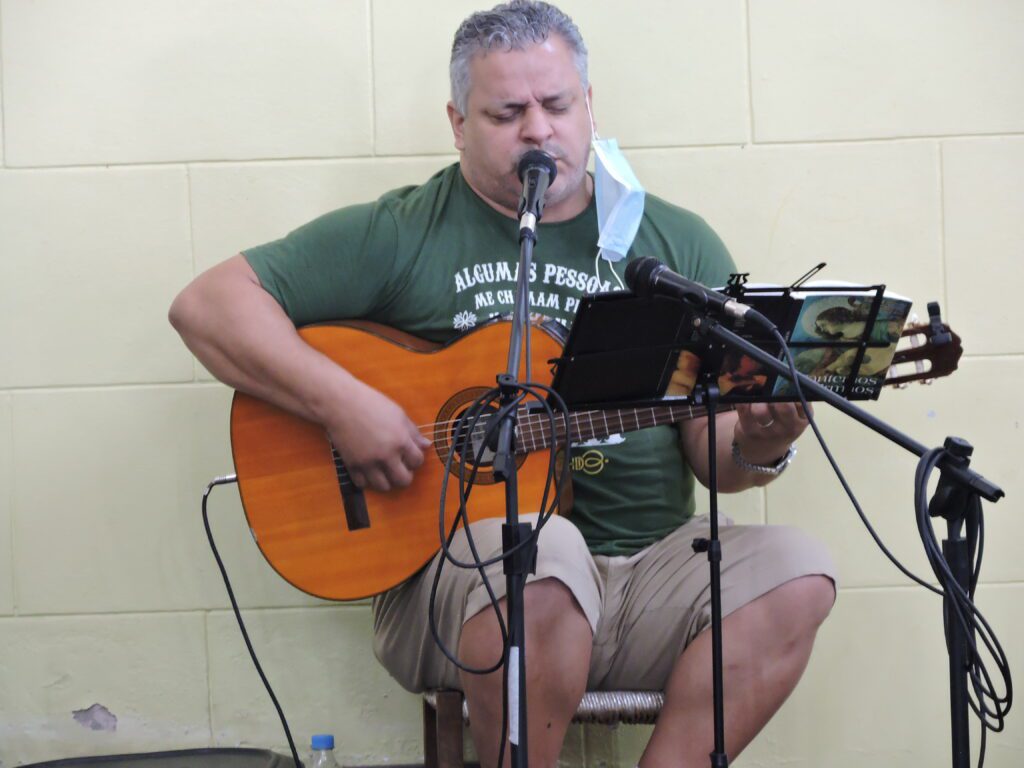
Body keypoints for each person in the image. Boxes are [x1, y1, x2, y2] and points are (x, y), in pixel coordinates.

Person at [169, 2, 836, 766]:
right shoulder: (405, 231)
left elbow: (712, 451)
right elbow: (208, 306)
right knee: (538, 547)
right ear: (458, 123)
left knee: (798, 568)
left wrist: (760, 441)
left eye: (556, 105)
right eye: (506, 112)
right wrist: (345, 405)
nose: (537, 131)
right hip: (466, 591)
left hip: (646, 574)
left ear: (590, 106)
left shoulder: (672, 245)